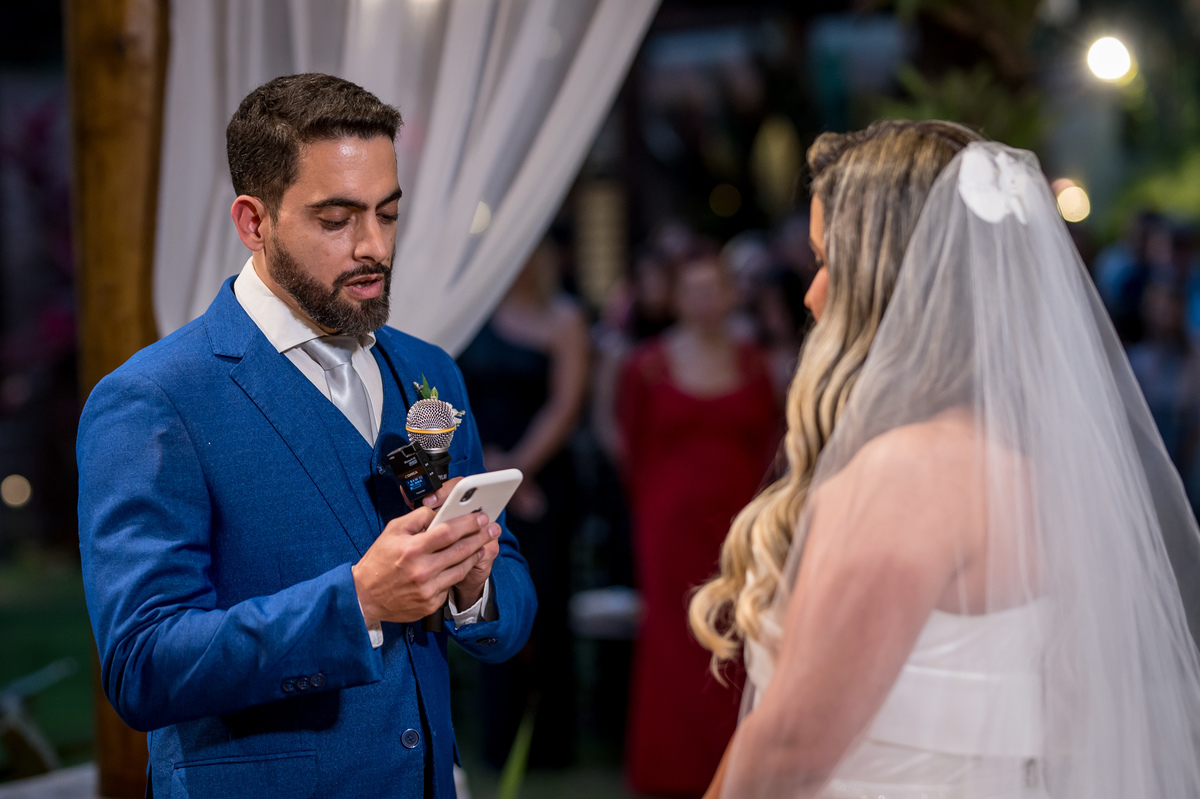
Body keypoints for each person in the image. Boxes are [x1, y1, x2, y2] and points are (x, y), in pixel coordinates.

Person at [689, 120, 1200, 798]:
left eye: (827, 262)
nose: (812, 295)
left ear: (893, 277)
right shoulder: (1038, 465)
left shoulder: (910, 473)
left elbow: (790, 747)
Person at [76, 74, 537, 798]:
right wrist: (358, 603)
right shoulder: (155, 398)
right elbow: (143, 665)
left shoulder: (430, 372)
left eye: (388, 213)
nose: (374, 246)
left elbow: (508, 588)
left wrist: (473, 585)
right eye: (337, 220)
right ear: (253, 222)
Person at [618, 245, 778, 796]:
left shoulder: (756, 362)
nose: (704, 300)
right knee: (672, 640)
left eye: (714, 288)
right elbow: (628, 441)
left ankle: (736, 767)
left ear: (731, 293)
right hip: (669, 527)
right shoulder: (647, 366)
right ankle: (671, 773)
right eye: (693, 289)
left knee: (738, 634)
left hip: (740, 527)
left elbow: (773, 441)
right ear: (676, 297)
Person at [456, 239, 590, 768]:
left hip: (540, 483)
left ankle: (551, 743)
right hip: (478, 475)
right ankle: (498, 738)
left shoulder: (565, 319)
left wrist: (517, 470)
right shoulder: (474, 311)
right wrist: (484, 465)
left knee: (546, 603)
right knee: (482, 591)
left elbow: (566, 403)